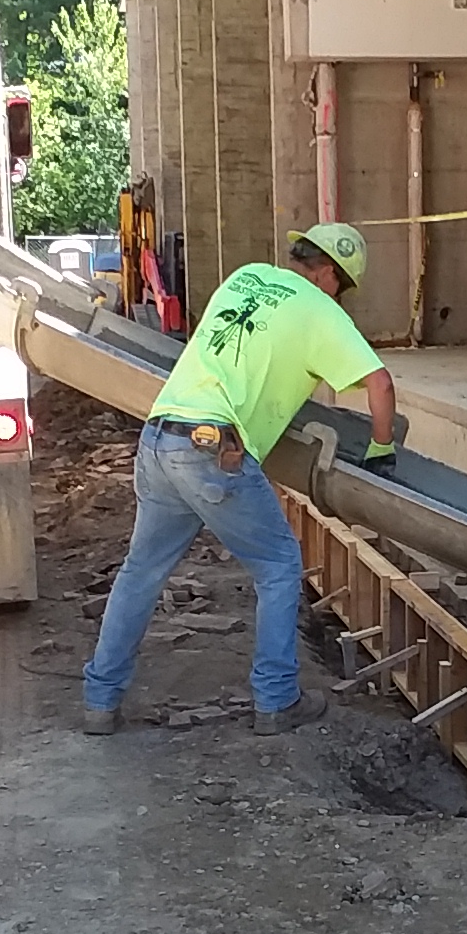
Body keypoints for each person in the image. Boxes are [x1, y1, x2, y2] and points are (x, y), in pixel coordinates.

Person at [82, 224, 397, 737]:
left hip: (160, 438)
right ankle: (276, 701)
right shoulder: (324, 313)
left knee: (141, 571)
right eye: (343, 287)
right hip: (213, 450)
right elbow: (380, 384)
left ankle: (100, 701)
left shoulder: (247, 277)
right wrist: (382, 448)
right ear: (330, 276)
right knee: (278, 565)